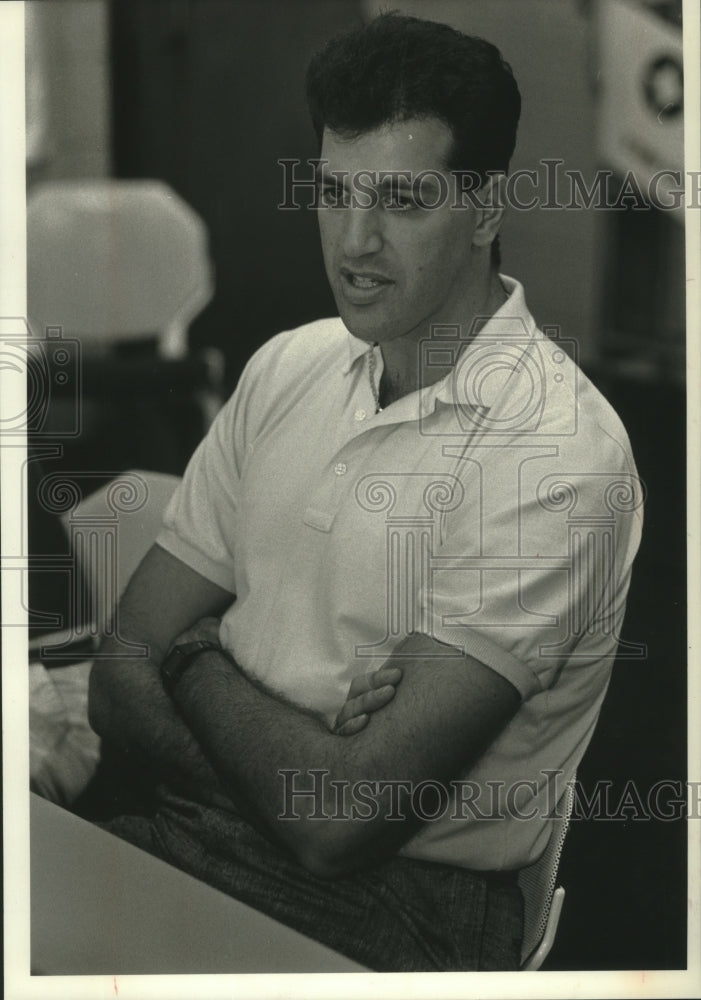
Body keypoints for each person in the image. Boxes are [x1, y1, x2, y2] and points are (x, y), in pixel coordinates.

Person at [87, 12, 643, 972]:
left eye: (401, 199)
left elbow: (342, 822)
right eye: (334, 192)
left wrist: (194, 658)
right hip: (200, 832)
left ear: (485, 208)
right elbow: (113, 674)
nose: (354, 241)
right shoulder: (287, 366)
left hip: (406, 910)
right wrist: (286, 759)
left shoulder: (558, 456)